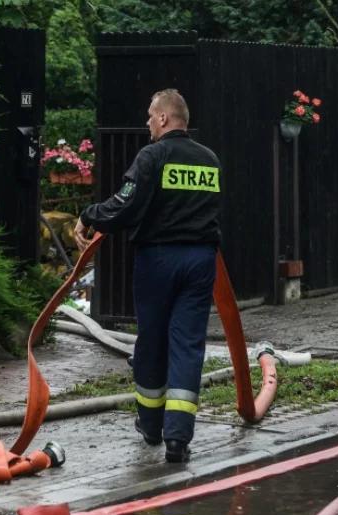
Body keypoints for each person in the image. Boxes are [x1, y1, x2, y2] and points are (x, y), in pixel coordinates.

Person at [74, 89, 222, 463]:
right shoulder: (210, 160)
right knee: (187, 345)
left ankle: (151, 426)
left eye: (149, 116)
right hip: (201, 260)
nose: (146, 123)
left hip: (158, 259)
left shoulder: (153, 156)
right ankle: (178, 440)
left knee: (152, 341)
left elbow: (126, 204)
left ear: (163, 119)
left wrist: (91, 216)